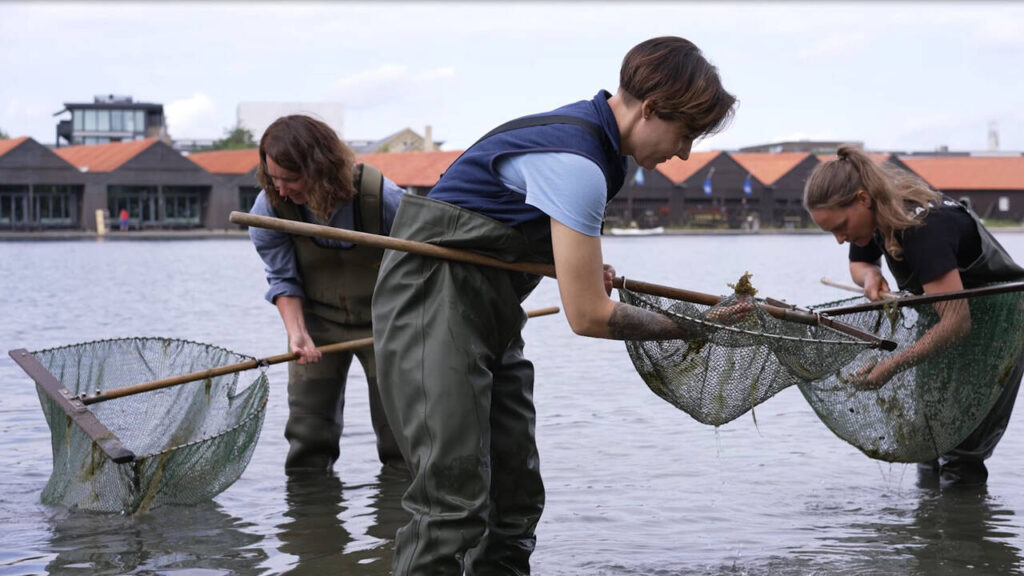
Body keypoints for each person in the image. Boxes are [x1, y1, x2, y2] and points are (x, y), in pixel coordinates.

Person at [371, 36, 736, 574]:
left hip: (489, 312)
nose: (683, 154)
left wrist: (576, 266)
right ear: (652, 110)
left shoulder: (604, 156)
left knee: (514, 498)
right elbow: (587, 315)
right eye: (684, 135)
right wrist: (693, 326)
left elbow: (541, 249)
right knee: (451, 502)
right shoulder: (578, 162)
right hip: (430, 302)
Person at [804, 144, 1024, 488]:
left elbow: (957, 321)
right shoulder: (875, 214)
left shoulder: (923, 228)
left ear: (862, 199)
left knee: (960, 453)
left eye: (841, 226)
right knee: (928, 441)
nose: (839, 239)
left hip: (996, 328)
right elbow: (859, 264)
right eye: (831, 232)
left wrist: (890, 366)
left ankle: (961, 535)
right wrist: (870, 277)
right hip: (941, 321)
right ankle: (924, 535)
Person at [248, 114, 406, 473]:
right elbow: (282, 278)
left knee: (401, 438)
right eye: (274, 179)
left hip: (386, 325)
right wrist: (296, 333)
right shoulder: (270, 209)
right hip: (316, 324)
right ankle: (308, 519)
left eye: (291, 179)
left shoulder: (383, 198)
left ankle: (400, 519)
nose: (282, 189)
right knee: (308, 433)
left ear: (322, 169)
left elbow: (418, 271)